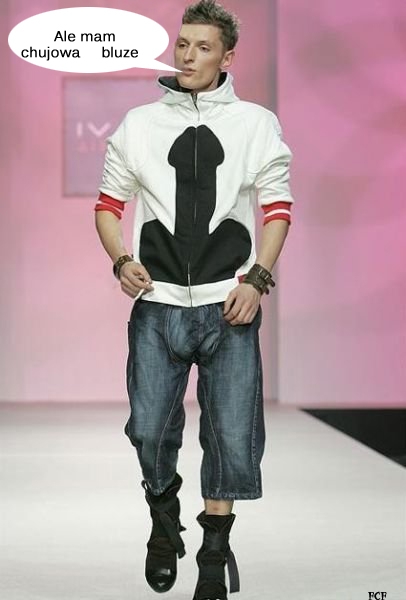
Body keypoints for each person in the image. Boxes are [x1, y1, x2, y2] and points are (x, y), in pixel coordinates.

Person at [95, 1, 293, 598]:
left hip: (228, 301)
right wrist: (122, 260)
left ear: (227, 57)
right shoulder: (139, 124)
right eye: (183, 44)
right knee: (147, 430)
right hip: (156, 303)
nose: (187, 55)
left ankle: (212, 552)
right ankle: (164, 519)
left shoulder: (256, 123)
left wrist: (257, 280)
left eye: (203, 47)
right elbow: (108, 206)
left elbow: (277, 209)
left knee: (231, 435)